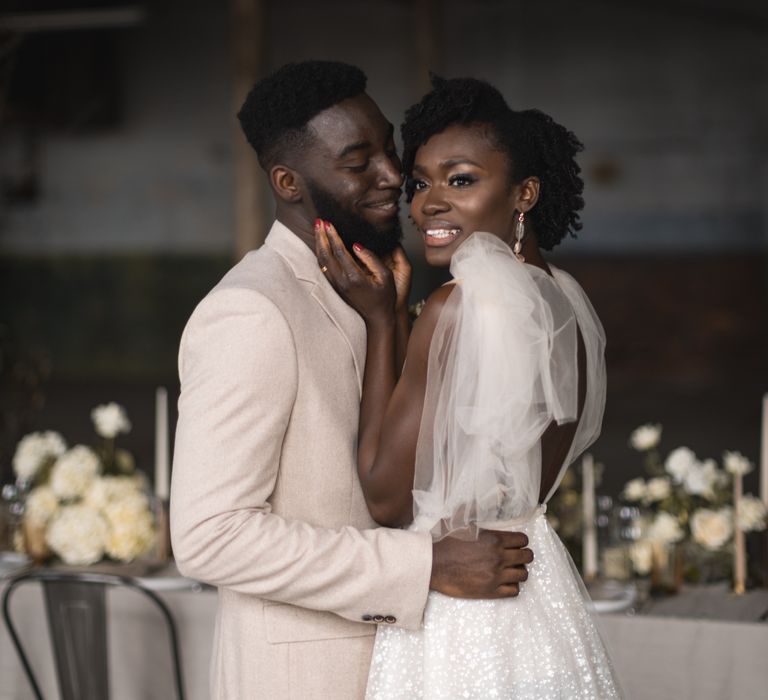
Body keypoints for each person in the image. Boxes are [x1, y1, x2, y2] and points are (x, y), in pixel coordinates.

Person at [170, 62, 533, 700]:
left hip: (414, 663)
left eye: (389, 150)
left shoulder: (371, 285)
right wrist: (424, 566)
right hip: (307, 678)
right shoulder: (252, 310)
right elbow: (209, 536)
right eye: (358, 162)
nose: (394, 176)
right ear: (288, 182)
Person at [316, 75, 623, 698]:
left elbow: (386, 498)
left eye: (460, 180)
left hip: (466, 612)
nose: (427, 203)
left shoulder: (456, 308)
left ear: (524, 193)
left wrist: (382, 323)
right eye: (420, 183)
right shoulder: (562, 300)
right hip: (541, 597)